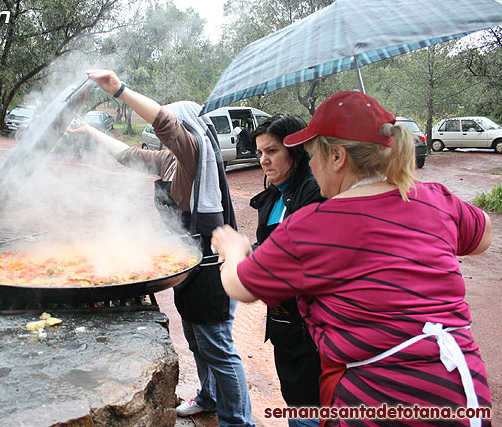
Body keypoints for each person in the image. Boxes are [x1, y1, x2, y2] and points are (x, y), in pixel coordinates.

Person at [211, 91, 493, 426]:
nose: (311, 164)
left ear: (337, 157)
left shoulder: (315, 224)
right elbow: (483, 236)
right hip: (461, 390)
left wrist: (232, 249)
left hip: (380, 401)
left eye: (313, 154)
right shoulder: (434, 198)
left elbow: (241, 286)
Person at [75, 70, 255, 427]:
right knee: (196, 338)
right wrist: (89, 130)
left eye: (175, 128)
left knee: (217, 345)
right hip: (189, 263)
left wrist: (119, 90)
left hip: (213, 266)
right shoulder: (169, 160)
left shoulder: (192, 153)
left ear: (190, 130)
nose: (166, 136)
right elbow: (127, 155)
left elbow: (165, 124)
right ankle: (209, 396)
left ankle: (238, 421)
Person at [250, 114, 324, 427]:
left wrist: (250, 259)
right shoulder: (274, 195)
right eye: (259, 153)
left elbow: (297, 255)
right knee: (294, 398)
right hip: (283, 319)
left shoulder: (315, 190)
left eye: (272, 151)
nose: (264, 161)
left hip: (313, 324)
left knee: (313, 405)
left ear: (296, 149)